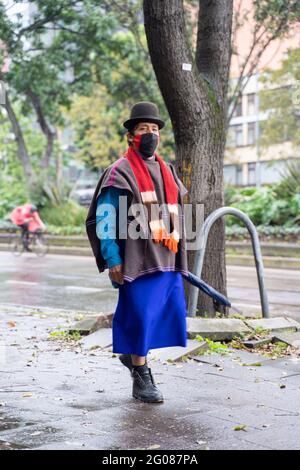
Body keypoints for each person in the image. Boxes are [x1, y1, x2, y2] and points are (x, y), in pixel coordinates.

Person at [86, 102, 189, 404]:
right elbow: (107, 216)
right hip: (135, 257)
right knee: (141, 314)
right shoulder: (120, 171)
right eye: (143, 129)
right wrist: (112, 257)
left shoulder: (167, 170)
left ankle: (134, 357)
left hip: (166, 254)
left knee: (158, 313)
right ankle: (141, 375)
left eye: (154, 130)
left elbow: (176, 210)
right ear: (131, 136)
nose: (150, 134)